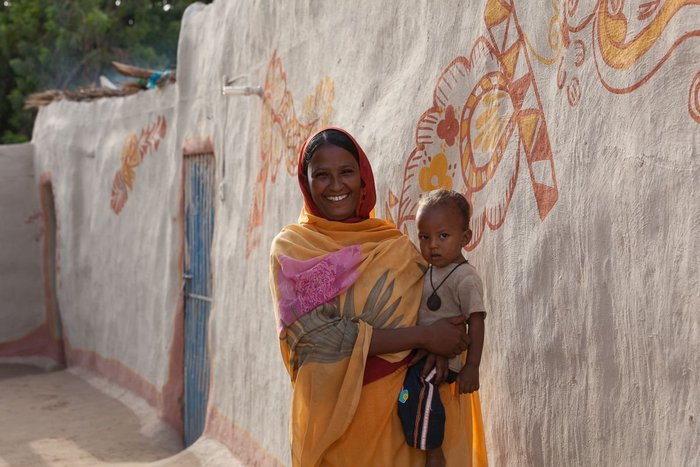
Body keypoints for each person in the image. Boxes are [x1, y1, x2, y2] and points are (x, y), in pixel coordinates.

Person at [269, 127, 487, 466]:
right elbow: (317, 339)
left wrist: (443, 350)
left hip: (406, 423)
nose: (336, 185)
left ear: (362, 177)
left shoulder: (393, 244)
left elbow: (433, 309)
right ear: (306, 183)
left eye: (346, 172)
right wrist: (426, 336)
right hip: (336, 426)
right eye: (321, 175)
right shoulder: (292, 249)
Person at [397, 189, 487, 467]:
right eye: (424, 237)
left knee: (419, 391)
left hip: (446, 359)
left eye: (443, 236)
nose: (432, 245)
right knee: (405, 397)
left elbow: (476, 321)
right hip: (425, 349)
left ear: (465, 238)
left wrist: (472, 367)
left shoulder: (465, 278)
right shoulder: (428, 270)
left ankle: (433, 450)